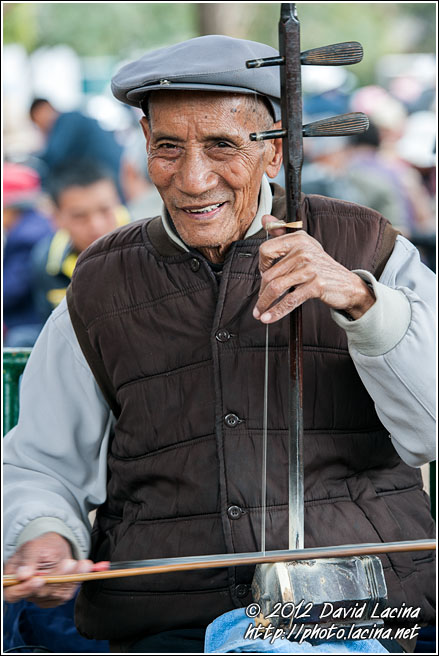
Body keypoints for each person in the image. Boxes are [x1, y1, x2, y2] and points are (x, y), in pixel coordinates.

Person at [3, 36, 435, 653]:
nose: (193, 179)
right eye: (168, 148)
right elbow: (42, 461)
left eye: (223, 146)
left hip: (368, 609)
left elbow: (433, 428)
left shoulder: (368, 244)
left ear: (275, 150)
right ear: (144, 145)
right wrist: (43, 531)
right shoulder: (101, 281)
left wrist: (362, 303)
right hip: (166, 618)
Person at [31, 160, 129, 322]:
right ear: (55, 217)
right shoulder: (46, 262)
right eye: (79, 216)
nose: (96, 225)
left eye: (105, 210)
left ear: (118, 202)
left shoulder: (149, 245)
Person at [29, 98, 124, 200]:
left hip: (111, 174)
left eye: (36, 119)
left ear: (46, 108)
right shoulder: (72, 120)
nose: (40, 125)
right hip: (113, 172)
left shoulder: (67, 120)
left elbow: (53, 156)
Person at [3, 162, 54, 347]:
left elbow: (8, 292)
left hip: (29, 323)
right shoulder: (34, 225)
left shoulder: (26, 237)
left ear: (11, 209)